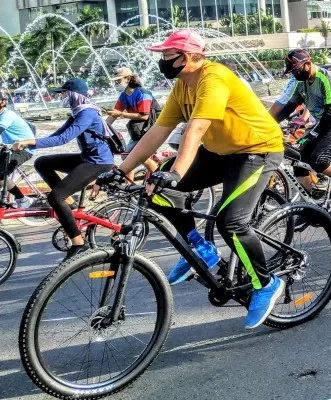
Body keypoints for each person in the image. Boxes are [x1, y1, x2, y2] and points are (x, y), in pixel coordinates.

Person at [97, 30, 285, 329]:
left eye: (166, 57)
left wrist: (176, 172)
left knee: (231, 222)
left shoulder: (214, 78)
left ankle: (266, 283)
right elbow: (157, 131)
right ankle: (201, 248)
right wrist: (121, 169)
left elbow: (196, 129)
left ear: (184, 57)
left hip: (256, 151)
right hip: (220, 152)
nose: (161, 62)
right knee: (155, 192)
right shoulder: (182, 87)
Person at [12, 78, 114, 259]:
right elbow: (56, 135)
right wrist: (27, 143)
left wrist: (30, 142)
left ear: (75, 95)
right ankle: (70, 205)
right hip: (86, 158)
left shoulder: (87, 113)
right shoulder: (77, 113)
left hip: (99, 162)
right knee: (42, 162)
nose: (62, 97)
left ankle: (78, 243)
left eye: (64, 93)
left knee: (55, 196)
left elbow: (63, 139)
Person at [271, 49, 331, 208]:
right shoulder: (302, 83)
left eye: (296, 70)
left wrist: (311, 134)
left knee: (318, 159)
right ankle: (313, 206)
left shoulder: (326, 78)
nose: (295, 75)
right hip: (326, 125)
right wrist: (269, 123)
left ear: (307, 64)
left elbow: (330, 114)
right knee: (299, 161)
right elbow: (288, 108)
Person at [105, 67, 162, 178]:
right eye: (115, 81)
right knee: (126, 157)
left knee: (137, 156)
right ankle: (128, 186)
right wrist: (102, 128)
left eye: (118, 81)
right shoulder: (123, 96)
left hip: (153, 127)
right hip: (140, 130)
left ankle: (158, 179)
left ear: (128, 79)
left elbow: (145, 116)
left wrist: (121, 114)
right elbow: (113, 115)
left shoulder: (142, 93)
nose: (116, 84)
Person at [0, 92, 36, 208]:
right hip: (9, 148)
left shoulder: (7, 115)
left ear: (3, 102)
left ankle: (22, 199)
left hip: (23, 149)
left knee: (0, 175)